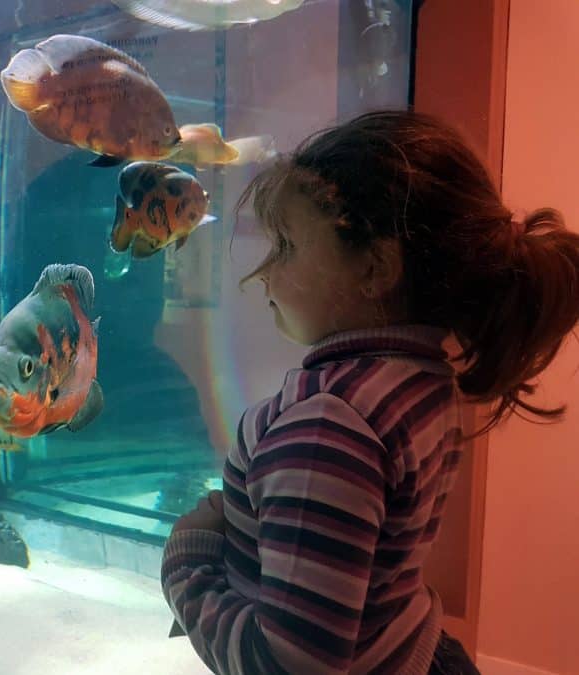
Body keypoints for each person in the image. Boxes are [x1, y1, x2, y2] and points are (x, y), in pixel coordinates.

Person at [161, 110, 579, 674]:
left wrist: (186, 568)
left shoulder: (326, 426)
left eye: (285, 245)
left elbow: (290, 666)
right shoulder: (421, 378)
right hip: (415, 649)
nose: (260, 274)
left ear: (376, 267)